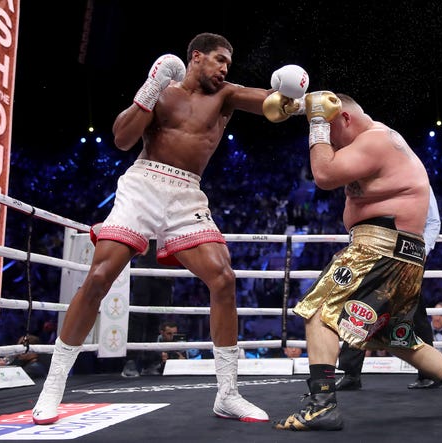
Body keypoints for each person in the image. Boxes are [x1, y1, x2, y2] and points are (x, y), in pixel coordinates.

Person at [32, 32, 309, 425]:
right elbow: (123, 138)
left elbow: (272, 106)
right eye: (219, 60)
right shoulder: (162, 93)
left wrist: (301, 99)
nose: (225, 68)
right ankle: (53, 386)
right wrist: (150, 86)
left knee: (224, 278)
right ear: (196, 57)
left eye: (228, 63)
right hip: (143, 185)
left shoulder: (226, 95)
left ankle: (227, 394)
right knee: (99, 275)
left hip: (187, 195)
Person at [274, 92, 442, 431]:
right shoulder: (376, 141)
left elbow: (323, 174)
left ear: (344, 119)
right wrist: (298, 106)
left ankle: (321, 405)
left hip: (379, 247)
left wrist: (317, 124)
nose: (329, 142)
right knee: (398, 337)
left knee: (319, 312)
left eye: (331, 132)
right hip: (403, 254)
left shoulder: (375, 139)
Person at [335, 186, 442, 391]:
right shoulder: (373, 182)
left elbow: (433, 221)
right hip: (373, 253)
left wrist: (424, 250)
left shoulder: (418, 182)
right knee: (360, 306)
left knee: (414, 310)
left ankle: (430, 373)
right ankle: (351, 373)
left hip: (406, 255)